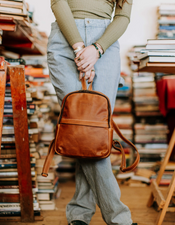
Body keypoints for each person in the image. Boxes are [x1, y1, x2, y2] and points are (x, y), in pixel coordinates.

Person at [47, 0, 136, 225]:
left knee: (92, 134)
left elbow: (123, 16)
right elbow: (58, 2)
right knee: (81, 131)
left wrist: (96, 49)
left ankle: (79, 213)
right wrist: (80, 48)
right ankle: (118, 217)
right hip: (65, 41)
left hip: (105, 43)